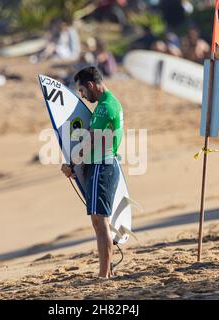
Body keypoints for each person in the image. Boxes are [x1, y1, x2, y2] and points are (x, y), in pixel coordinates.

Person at [61, 67, 123, 278]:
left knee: (100, 221)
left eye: (81, 91)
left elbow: (91, 140)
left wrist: (71, 164)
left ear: (90, 85)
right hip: (101, 165)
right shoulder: (109, 103)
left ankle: (104, 275)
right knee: (100, 221)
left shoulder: (105, 107)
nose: (82, 96)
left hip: (102, 167)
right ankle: (107, 272)